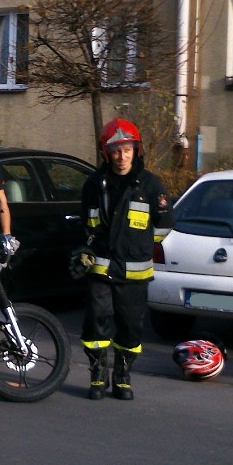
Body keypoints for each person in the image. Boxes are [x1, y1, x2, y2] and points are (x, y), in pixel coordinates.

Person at [75, 118, 175, 401]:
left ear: (136, 150)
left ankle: (122, 375)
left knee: (131, 327)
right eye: (116, 151)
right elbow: (86, 223)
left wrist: (141, 246)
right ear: (107, 153)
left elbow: (166, 223)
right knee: (96, 322)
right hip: (101, 269)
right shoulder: (95, 184)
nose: (122, 157)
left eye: (127, 150)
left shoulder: (151, 185)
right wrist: (85, 249)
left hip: (135, 273)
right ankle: (97, 374)